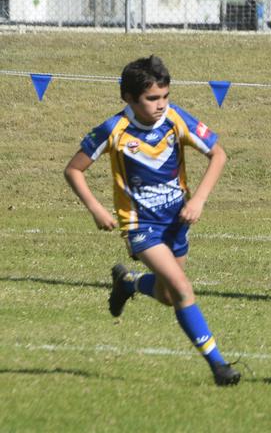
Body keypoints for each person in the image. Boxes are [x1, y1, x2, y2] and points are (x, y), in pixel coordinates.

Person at [64, 55, 241, 386]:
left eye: (165, 96)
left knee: (167, 295)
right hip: (140, 225)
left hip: (177, 221)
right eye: (151, 98)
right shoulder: (113, 130)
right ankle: (219, 366)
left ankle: (128, 283)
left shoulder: (176, 120)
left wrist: (199, 199)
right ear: (129, 98)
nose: (160, 105)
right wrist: (96, 209)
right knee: (183, 289)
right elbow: (73, 170)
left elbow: (218, 154)